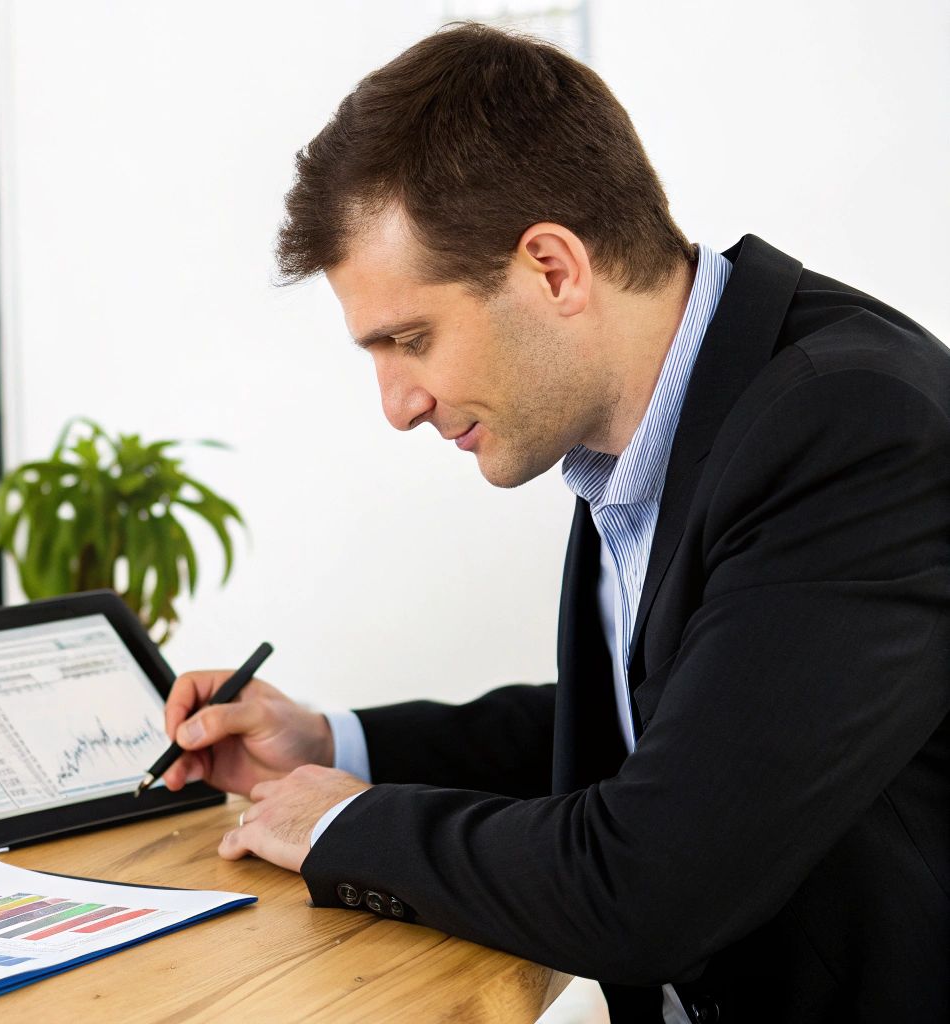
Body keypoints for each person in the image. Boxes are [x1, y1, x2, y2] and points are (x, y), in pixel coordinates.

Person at [159, 23, 949, 1024]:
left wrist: (348, 825)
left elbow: (653, 881)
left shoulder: (845, 426)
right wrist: (330, 742)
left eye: (409, 338)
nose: (395, 403)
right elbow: (649, 727)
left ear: (552, 269)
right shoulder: (650, 417)